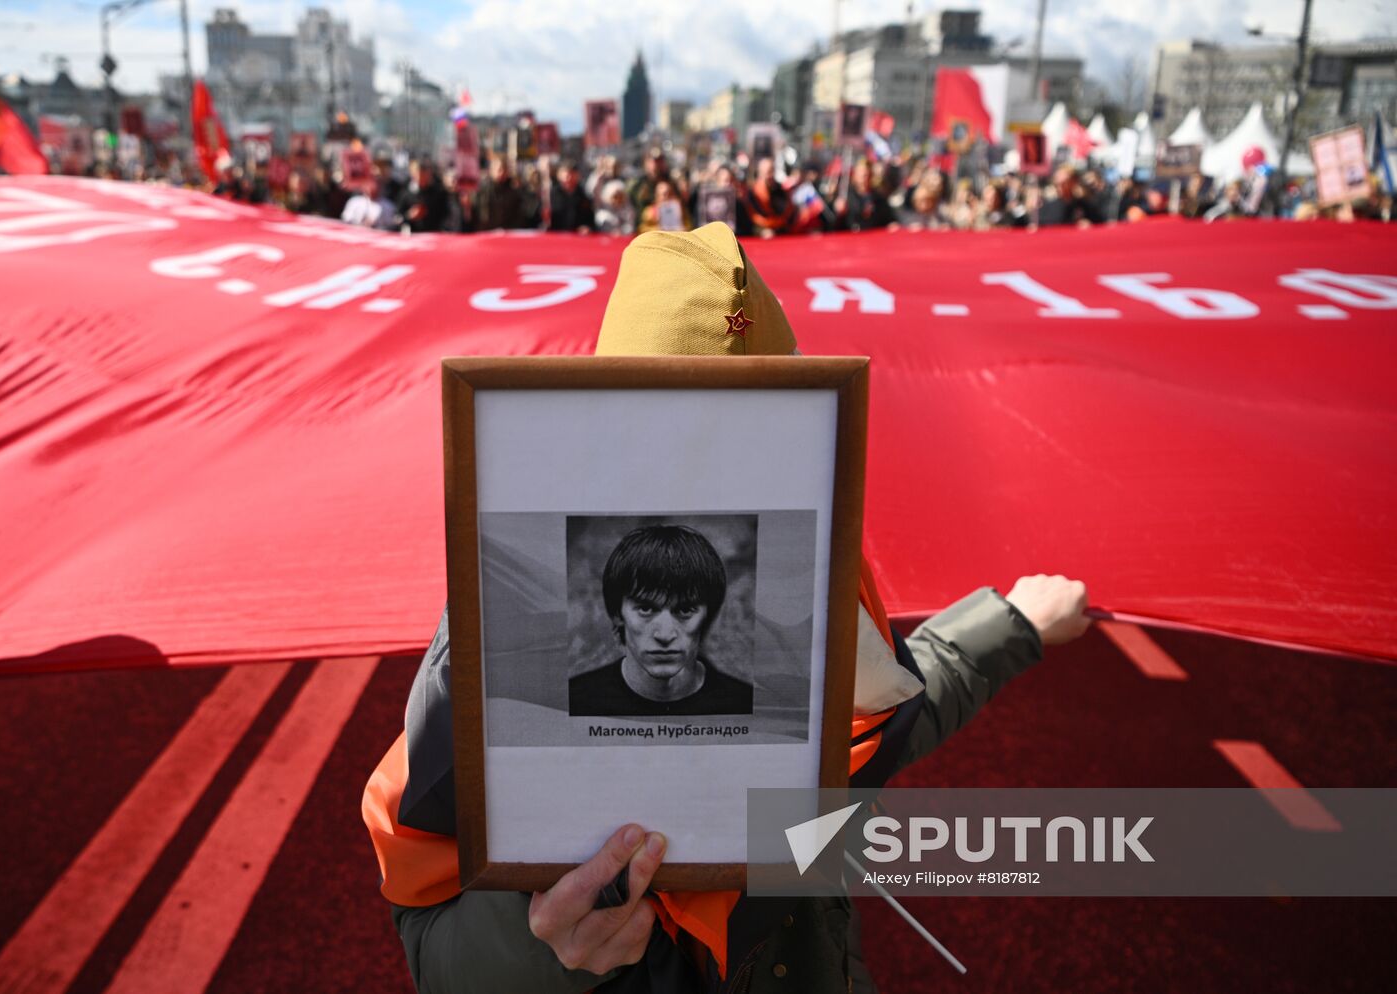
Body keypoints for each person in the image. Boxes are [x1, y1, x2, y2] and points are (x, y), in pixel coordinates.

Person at [362, 222, 1092, 994]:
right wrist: (545, 939)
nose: (666, 627)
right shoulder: (490, 662)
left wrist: (1007, 625)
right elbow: (433, 935)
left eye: (763, 445)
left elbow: (874, 722)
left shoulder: (821, 596)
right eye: (668, 437)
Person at [569, 525, 753, 717]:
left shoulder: (743, 705)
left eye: (684, 610)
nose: (665, 635)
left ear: (708, 615)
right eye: (645, 609)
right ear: (617, 613)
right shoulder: (575, 703)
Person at [1036, 165, 1104, 227]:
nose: (1062, 187)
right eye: (1059, 184)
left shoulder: (1083, 203)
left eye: (1066, 183)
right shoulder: (1049, 205)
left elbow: (1098, 220)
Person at [548, 160, 595, 233]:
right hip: (555, 235)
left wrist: (587, 227)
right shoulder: (551, 195)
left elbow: (590, 219)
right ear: (559, 175)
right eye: (566, 174)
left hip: (577, 238)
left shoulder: (584, 196)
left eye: (572, 174)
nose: (569, 178)